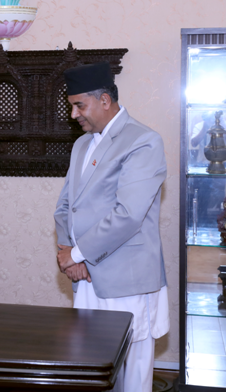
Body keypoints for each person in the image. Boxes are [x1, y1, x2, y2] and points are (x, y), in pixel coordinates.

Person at [54, 62, 169, 392]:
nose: (74, 114)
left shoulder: (143, 141)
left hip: (126, 280)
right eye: (71, 106)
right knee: (90, 370)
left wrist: (77, 254)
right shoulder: (82, 144)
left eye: (79, 105)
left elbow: (128, 215)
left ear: (104, 100)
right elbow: (66, 206)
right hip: (87, 277)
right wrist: (69, 253)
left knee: (131, 375)